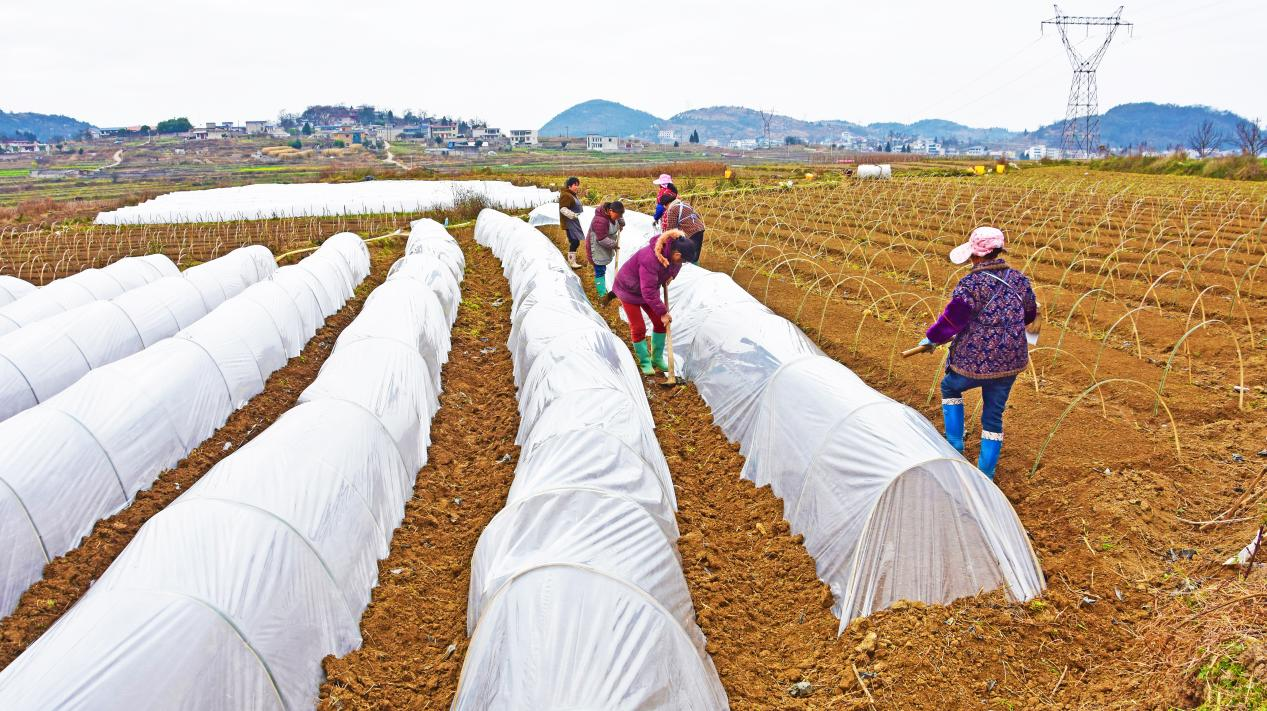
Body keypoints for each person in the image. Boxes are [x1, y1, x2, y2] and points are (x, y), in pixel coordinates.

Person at [921, 226, 1038, 480]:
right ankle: (986, 474)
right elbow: (1029, 315)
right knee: (993, 415)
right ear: (998, 251)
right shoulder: (1019, 280)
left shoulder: (971, 284)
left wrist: (931, 338)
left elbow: (952, 321)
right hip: (1010, 360)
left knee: (950, 387)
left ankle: (954, 447)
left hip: (975, 361)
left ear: (975, 255)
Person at [610, 229, 697, 375]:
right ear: (677, 254)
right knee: (638, 327)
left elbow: (676, 266)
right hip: (629, 289)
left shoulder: (674, 254)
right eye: (683, 260)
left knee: (660, 323)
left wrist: (671, 276)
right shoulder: (649, 258)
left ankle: (656, 359)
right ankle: (645, 361)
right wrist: (663, 312)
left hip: (647, 289)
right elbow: (648, 291)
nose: (682, 263)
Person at [586, 200, 625, 298]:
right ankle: (602, 294)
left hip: (605, 246)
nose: (618, 217)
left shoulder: (613, 213)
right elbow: (602, 239)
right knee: (600, 270)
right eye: (617, 216)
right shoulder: (600, 220)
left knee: (602, 267)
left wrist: (621, 221)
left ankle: (603, 291)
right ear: (610, 211)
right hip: (597, 247)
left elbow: (619, 217)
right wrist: (614, 244)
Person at [656, 191, 705, 264]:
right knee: (695, 253)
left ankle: (692, 270)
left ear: (667, 204)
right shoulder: (685, 204)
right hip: (700, 228)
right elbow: (697, 215)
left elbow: (671, 229)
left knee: (689, 254)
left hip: (691, 231)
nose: (665, 208)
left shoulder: (673, 209)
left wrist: (664, 241)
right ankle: (696, 267)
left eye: (665, 206)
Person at [559, 176, 585, 269]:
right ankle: (571, 262)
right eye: (575, 185)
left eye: (578, 185)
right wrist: (573, 215)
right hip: (569, 223)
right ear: (569, 186)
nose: (577, 187)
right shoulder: (566, 195)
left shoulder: (572, 195)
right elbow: (563, 209)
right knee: (574, 241)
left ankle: (572, 261)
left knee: (575, 241)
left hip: (574, 223)